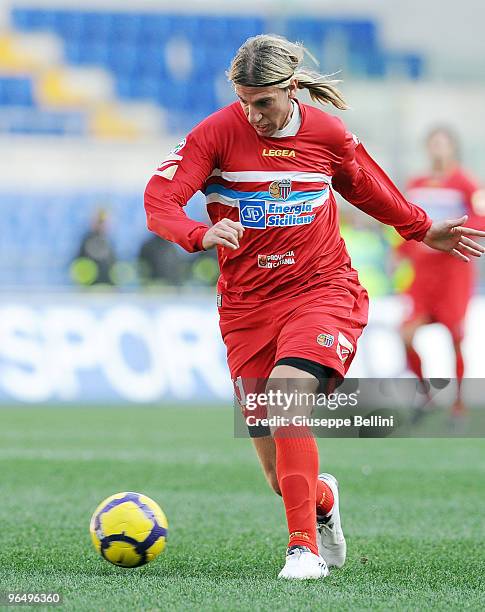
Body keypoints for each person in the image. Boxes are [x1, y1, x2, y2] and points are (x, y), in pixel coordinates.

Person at [144, 35, 485, 580]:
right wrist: (198, 233)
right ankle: (321, 500)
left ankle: (301, 550)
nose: (253, 114)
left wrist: (421, 228)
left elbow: (367, 187)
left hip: (324, 291)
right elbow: (158, 201)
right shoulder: (215, 134)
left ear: (293, 88)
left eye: (264, 102)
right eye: (244, 100)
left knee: (285, 396)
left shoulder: (326, 134)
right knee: (282, 478)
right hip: (246, 309)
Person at [398, 127, 484, 419]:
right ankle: (426, 396)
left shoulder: (466, 184)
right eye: (433, 143)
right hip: (423, 278)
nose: (437, 149)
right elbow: (404, 221)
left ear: (452, 148)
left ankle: (458, 403)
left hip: (453, 276)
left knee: (456, 337)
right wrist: (403, 252)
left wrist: (451, 237)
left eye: (443, 144)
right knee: (406, 334)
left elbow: (480, 221)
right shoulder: (417, 183)